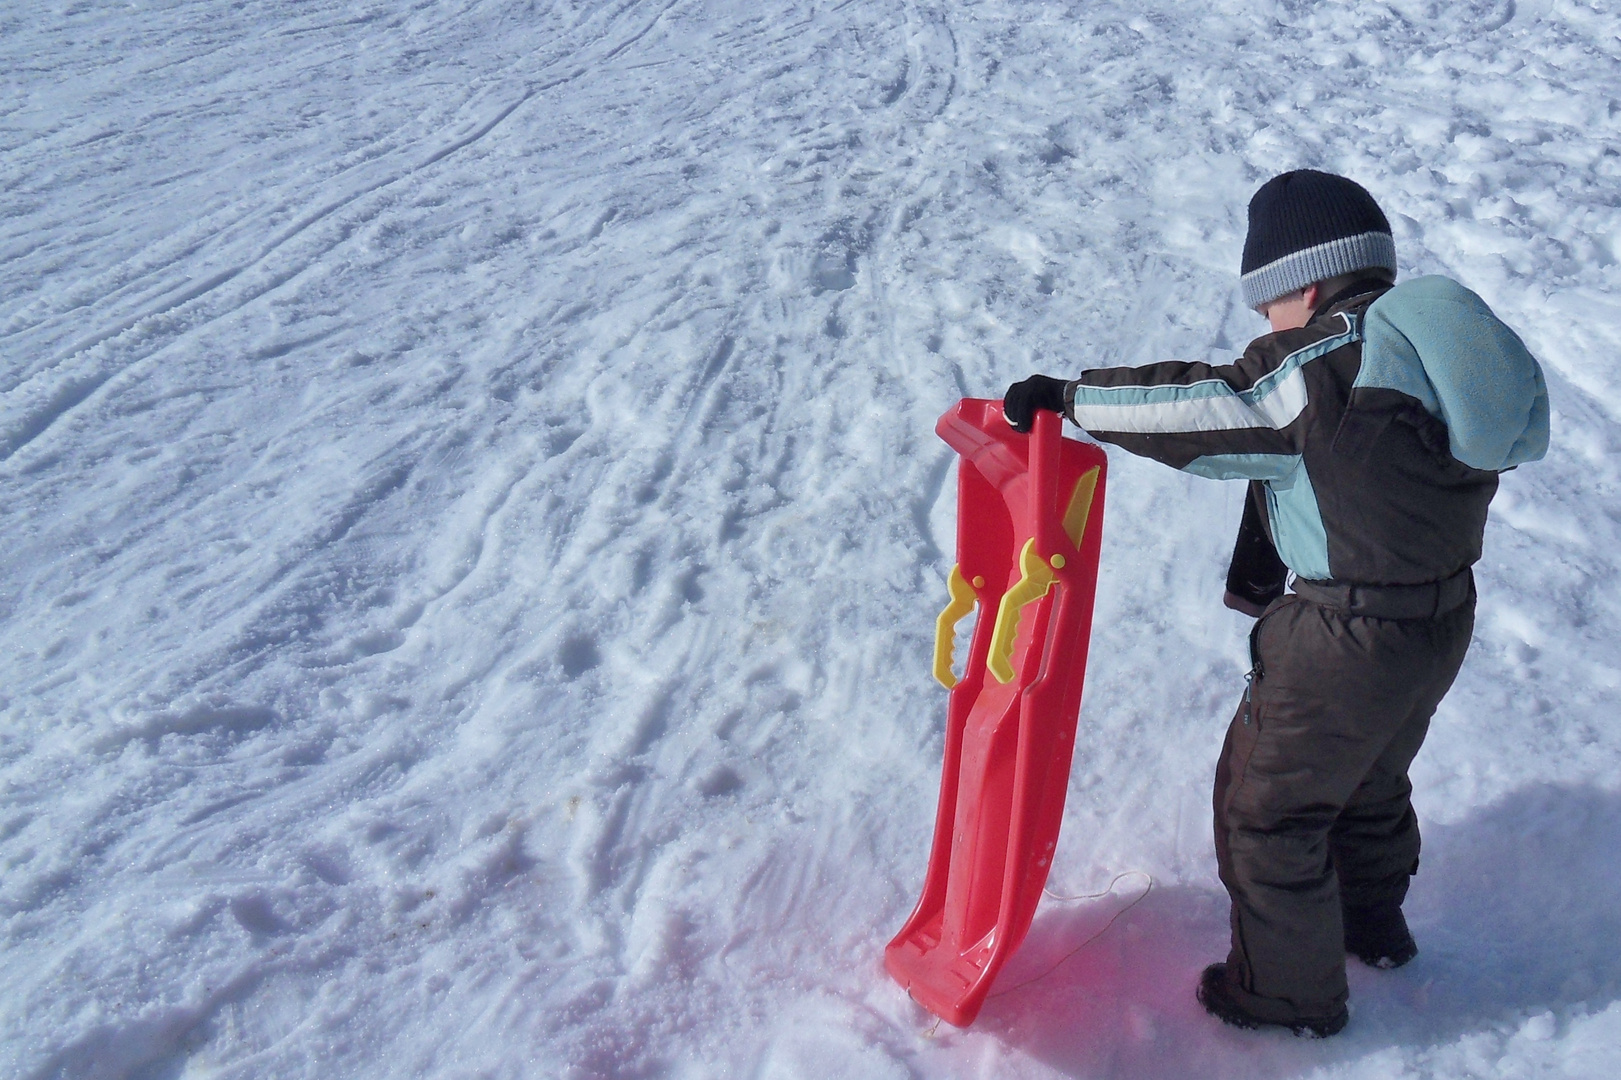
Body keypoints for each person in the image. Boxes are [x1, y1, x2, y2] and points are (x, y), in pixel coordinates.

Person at [1003, 169, 1549, 1037]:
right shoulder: (1430, 360)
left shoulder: (1322, 361)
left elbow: (1207, 407)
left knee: (1267, 811)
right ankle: (1373, 931)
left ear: (1300, 282)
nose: (1264, 328)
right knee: (1369, 783)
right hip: (1436, 624)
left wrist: (1072, 398)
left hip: (1341, 634)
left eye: (1265, 309)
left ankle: (1284, 996)